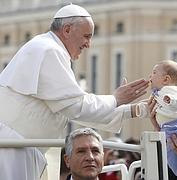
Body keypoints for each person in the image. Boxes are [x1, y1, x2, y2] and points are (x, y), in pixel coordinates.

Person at [0, 4, 149, 180]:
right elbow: (76, 107)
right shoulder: (49, 51)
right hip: (13, 149)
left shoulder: (47, 48)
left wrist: (132, 110)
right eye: (86, 36)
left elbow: (72, 109)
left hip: (21, 147)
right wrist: (116, 99)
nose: (88, 44)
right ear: (67, 29)